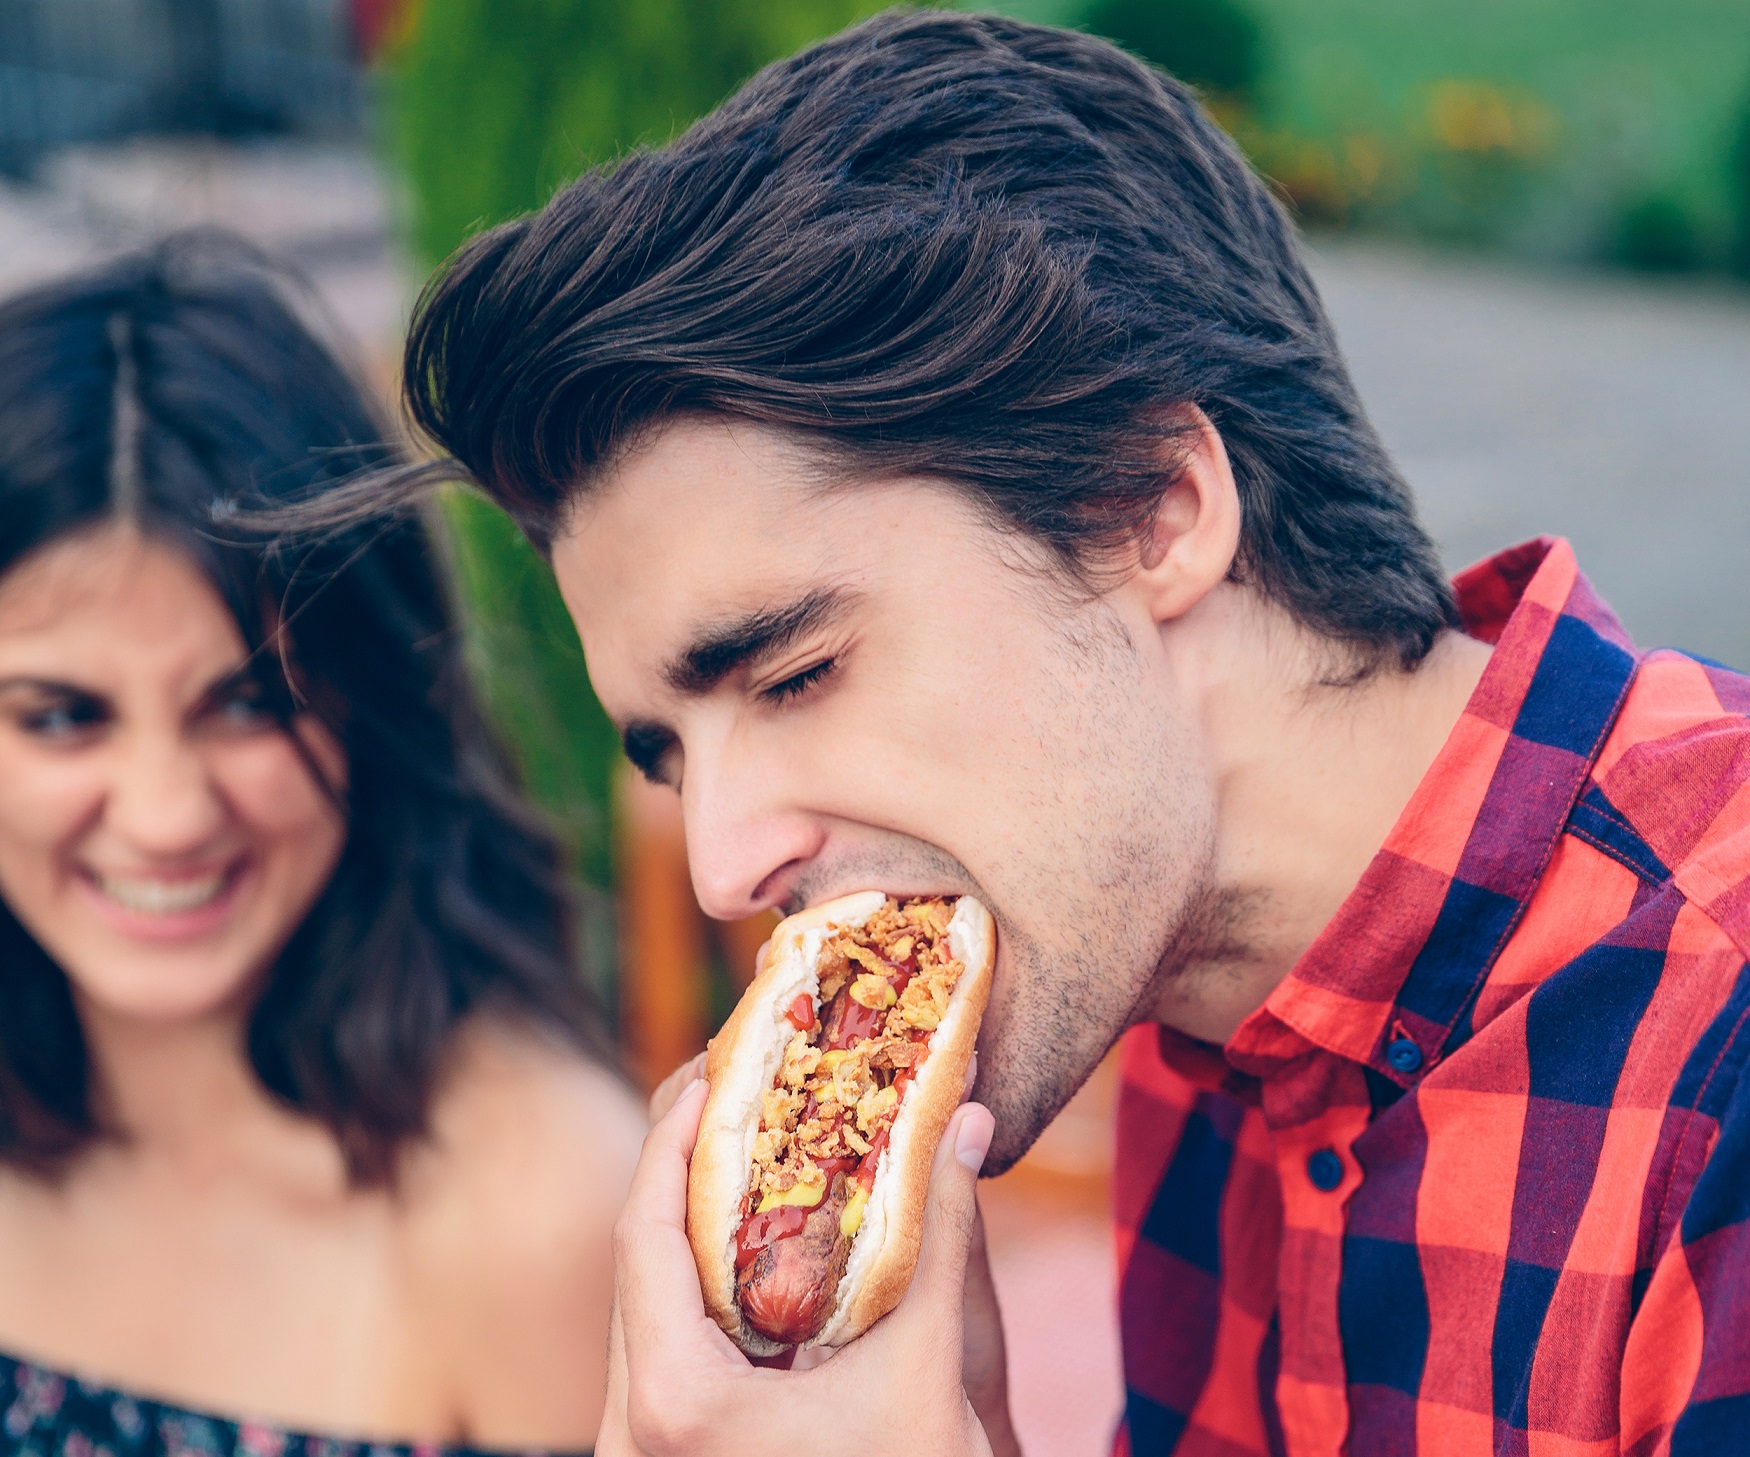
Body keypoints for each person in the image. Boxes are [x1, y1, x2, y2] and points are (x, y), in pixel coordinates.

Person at [365, 10, 1750, 1456]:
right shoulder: (1149, 961)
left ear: (1155, 508)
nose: (720, 864)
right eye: (670, 749)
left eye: (795, 676)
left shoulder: (1712, 1062)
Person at [0, 234, 644, 1455]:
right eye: (63, 715)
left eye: (250, 702)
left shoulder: (537, 1206)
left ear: (374, 700)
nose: (165, 811)